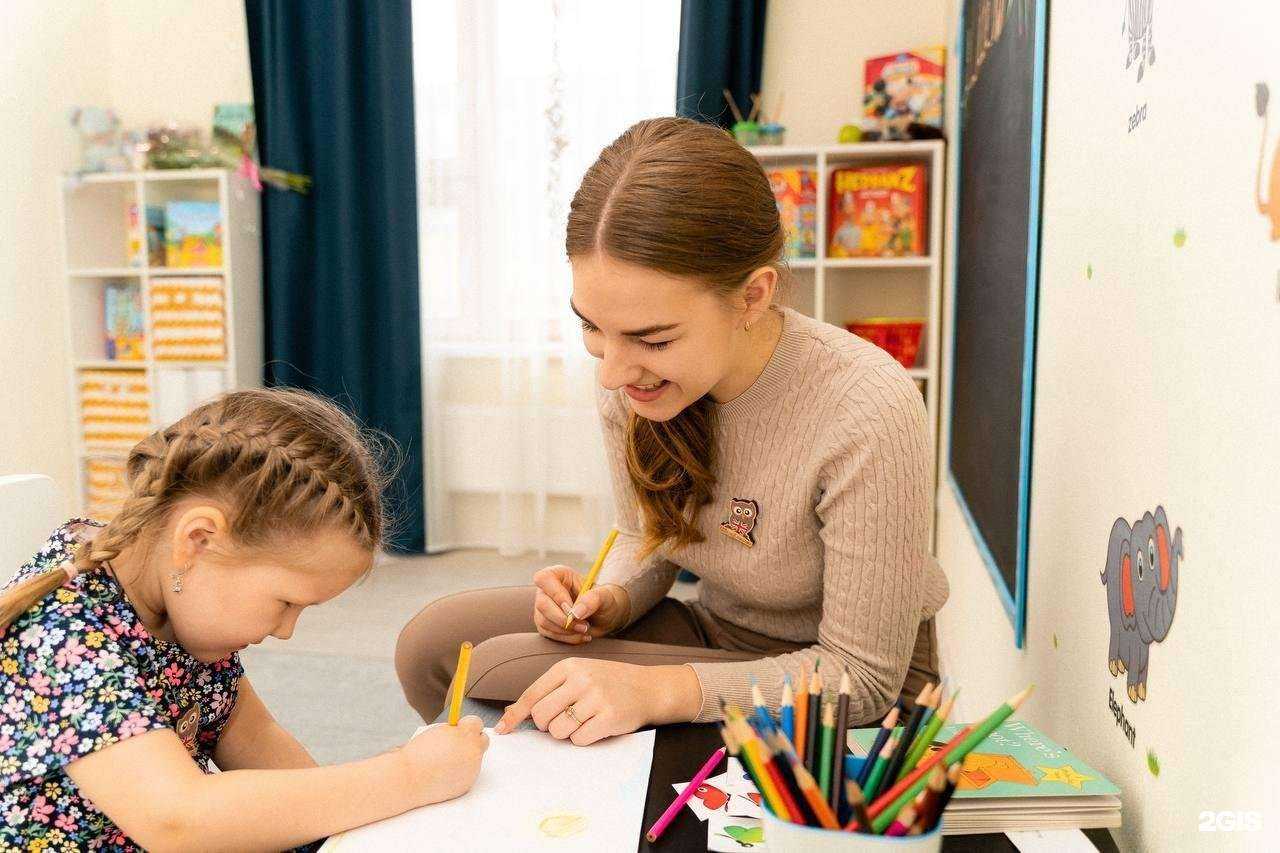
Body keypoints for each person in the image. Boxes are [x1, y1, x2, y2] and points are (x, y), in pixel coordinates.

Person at [396, 116, 948, 747]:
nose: (610, 372)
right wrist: (610, 598)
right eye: (591, 328)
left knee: (504, 671)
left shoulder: (866, 406)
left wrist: (660, 691)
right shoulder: (640, 378)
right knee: (432, 645)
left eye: (651, 339)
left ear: (751, 297)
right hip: (718, 632)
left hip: (846, 684)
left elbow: (864, 679)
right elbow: (645, 536)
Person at [0, 389, 488, 850]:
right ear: (199, 539)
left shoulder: (182, 592)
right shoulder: (61, 633)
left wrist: (343, 833)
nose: (285, 629)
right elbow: (177, 819)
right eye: (284, 602)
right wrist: (406, 777)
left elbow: (253, 738)